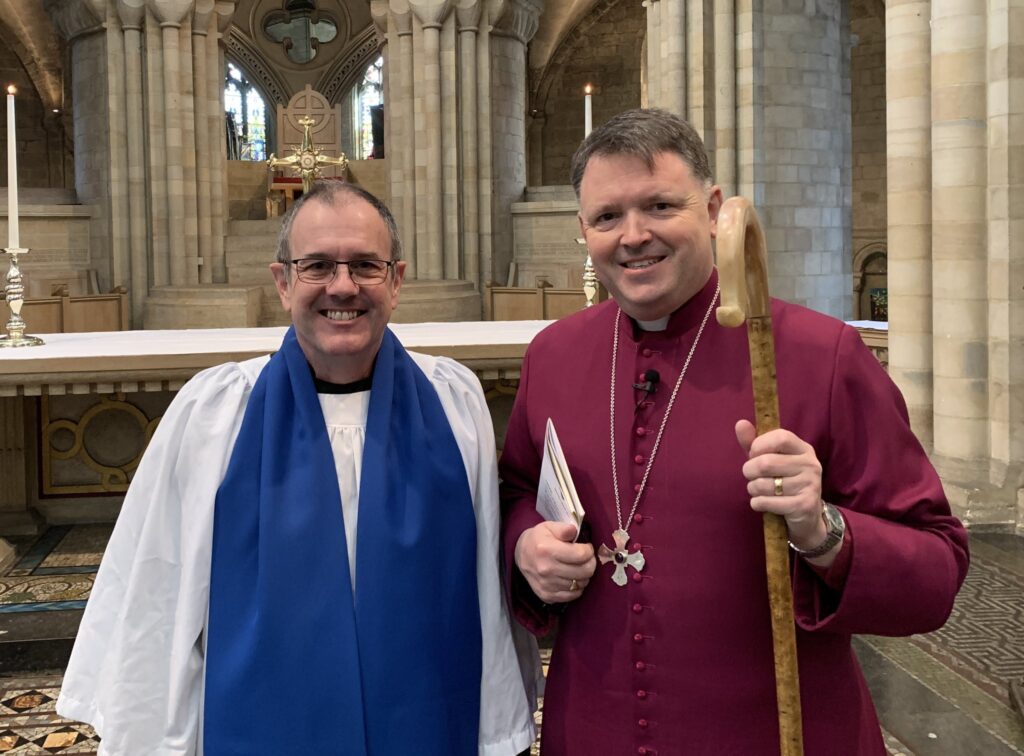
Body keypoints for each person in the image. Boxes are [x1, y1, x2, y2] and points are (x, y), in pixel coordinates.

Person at [499, 109, 969, 755]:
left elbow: (937, 572)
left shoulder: (818, 353)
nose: (633, 235)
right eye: (608, 217)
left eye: (661, 205)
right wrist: (525, 547)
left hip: (771, 734)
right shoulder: (553, 355)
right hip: (593, 729)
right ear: (583, 230)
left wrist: (823, 529)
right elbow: (516, 492)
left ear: (714, 209)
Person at [58, 181, 537, 755]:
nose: (343, 286)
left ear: (396, 280)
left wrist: (500, 726)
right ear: (283, 282)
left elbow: (483, 592)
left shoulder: (454, 404)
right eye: (317, 266)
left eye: (365, 265)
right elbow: (161, 591)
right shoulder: (215, 413)